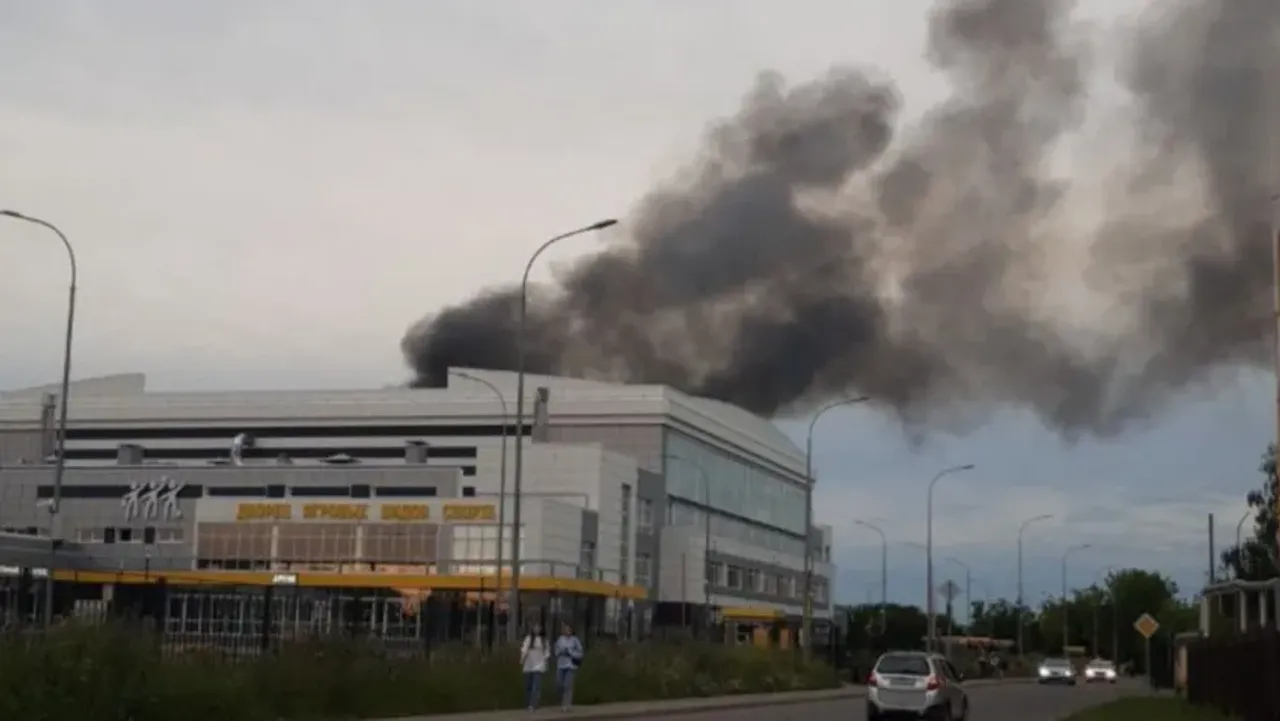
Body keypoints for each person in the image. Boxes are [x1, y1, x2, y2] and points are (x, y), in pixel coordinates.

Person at [553, 622, 584, 711]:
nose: (566, 631)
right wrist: (559, 652)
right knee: (559, 684)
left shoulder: (575, 640)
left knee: (568, 685)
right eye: (564, 629)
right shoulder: (560, 639)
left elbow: (580, 653)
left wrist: (570, 653)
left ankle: (567, 704)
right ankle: (562, 701)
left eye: (567, 629)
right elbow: (556, 650)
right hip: (561, 665)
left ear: (571, 630)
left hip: (570, 666)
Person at [519, 624, 549, 710]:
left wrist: (546, 663)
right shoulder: (529, 638)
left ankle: (533, 704)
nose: (537, 629)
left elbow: (546, 653)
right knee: (528, 686)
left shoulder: (544, 640)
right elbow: (524, 649)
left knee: (536, 686)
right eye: (535, 627)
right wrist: (522, 659)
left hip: (539, 665)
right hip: (529, 665)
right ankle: (527, 703)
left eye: (538, 627)